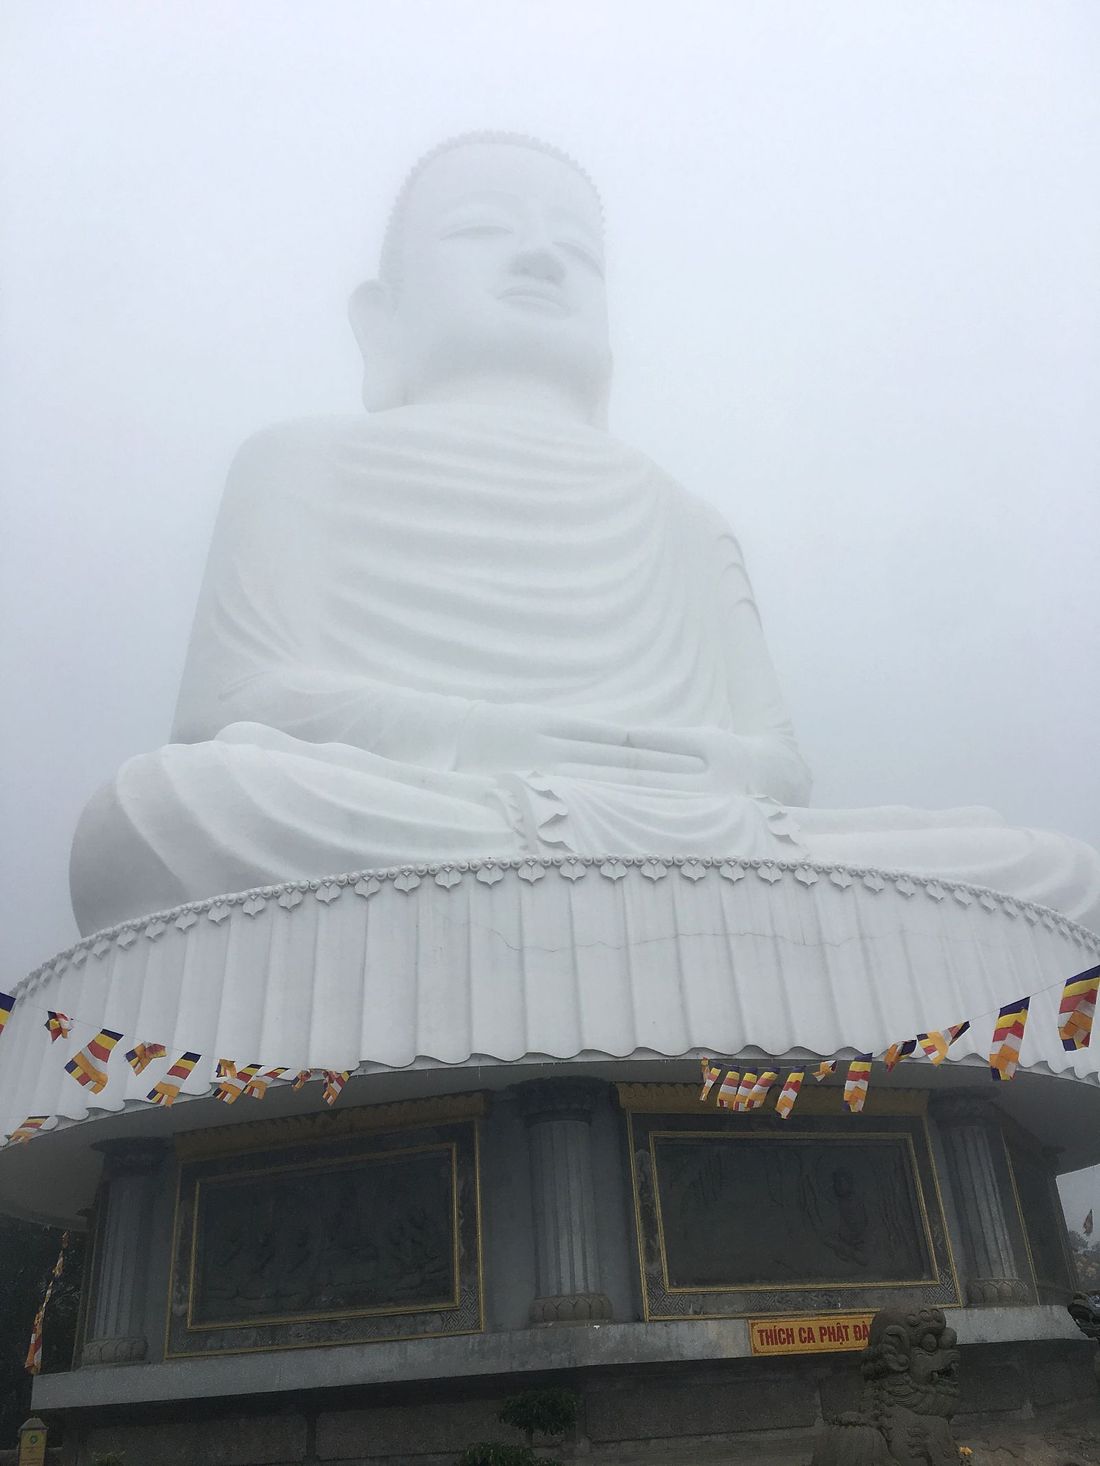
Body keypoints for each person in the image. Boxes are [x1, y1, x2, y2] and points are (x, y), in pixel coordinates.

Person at [70, 133, 1100, 936]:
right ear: (381, 316)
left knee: (1059, 873)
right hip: (429, 813)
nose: (537, 255)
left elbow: (778, 769)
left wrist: (680, 770)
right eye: (479, 229)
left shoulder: (686, 519)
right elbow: (228, 710)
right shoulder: (298, 460)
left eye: (577, 250)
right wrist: (509, 745)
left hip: (712, 837)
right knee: (168, 810)